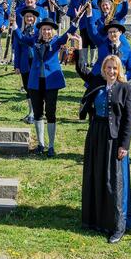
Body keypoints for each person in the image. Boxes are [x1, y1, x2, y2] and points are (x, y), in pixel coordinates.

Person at [80, 54, 131, 244]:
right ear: (103, 69)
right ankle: (95, 220)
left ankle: (117, 227)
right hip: (96, 134)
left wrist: (124, 145)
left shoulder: (126, 88)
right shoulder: (98, 85)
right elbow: (81, 68)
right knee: (96, 175)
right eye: (108, 68)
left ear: (119, 70)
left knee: (114, 181)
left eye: (114, 68)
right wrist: (80, 49)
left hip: (114, 139)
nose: (111, 71)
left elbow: (129, 120)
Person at [19, 15, 80, 157]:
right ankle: (41, 144)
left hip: (51, 82)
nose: (46, 31)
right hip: (35, 82)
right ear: (40, 31)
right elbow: (21, 38)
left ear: (52, 31)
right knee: (38, 113)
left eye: (48, 29)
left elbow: (68, 33)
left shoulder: (57, 41)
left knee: (51, 113)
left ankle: (51, 146)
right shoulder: (34, 41)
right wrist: (14, 26)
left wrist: (76, 20)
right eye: (44, 29)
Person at [12, 7, 40, 124]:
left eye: (31, 17)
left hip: (35, 63)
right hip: (24, 63)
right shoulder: (21, 32)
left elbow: (33, 42)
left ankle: (35, 113)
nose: (29, 18)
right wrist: (16, 65)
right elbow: (17, 50)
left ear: (34, 19)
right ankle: (30, 112)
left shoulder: (38, 31)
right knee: (28, 88)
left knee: (34, 89)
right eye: (27, 17)